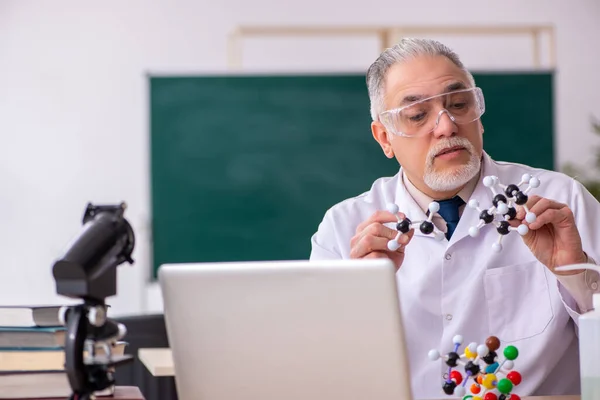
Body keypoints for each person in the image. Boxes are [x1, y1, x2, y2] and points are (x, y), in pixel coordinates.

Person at [309, 38, 600, 399]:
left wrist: (576, 272)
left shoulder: (560, 203)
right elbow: (319, 373)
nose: (446, 126)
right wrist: (358, 297)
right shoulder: (343, 228)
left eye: (459, 104)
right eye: (417, 115)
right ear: (384, 138)